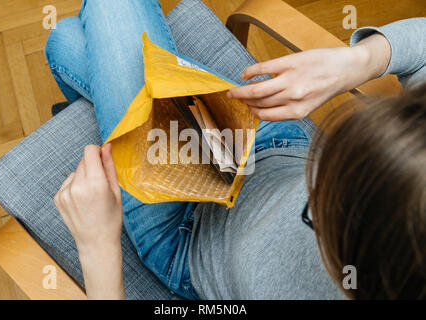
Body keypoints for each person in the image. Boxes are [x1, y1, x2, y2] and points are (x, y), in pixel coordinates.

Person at [46, 0, 425, 300]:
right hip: (267, 145)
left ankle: (91, 115)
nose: (313, 187)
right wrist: (358, 61)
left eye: (316, 215)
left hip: (185, 239)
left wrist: (98, 250)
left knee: (72, 35)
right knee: (68, 41)